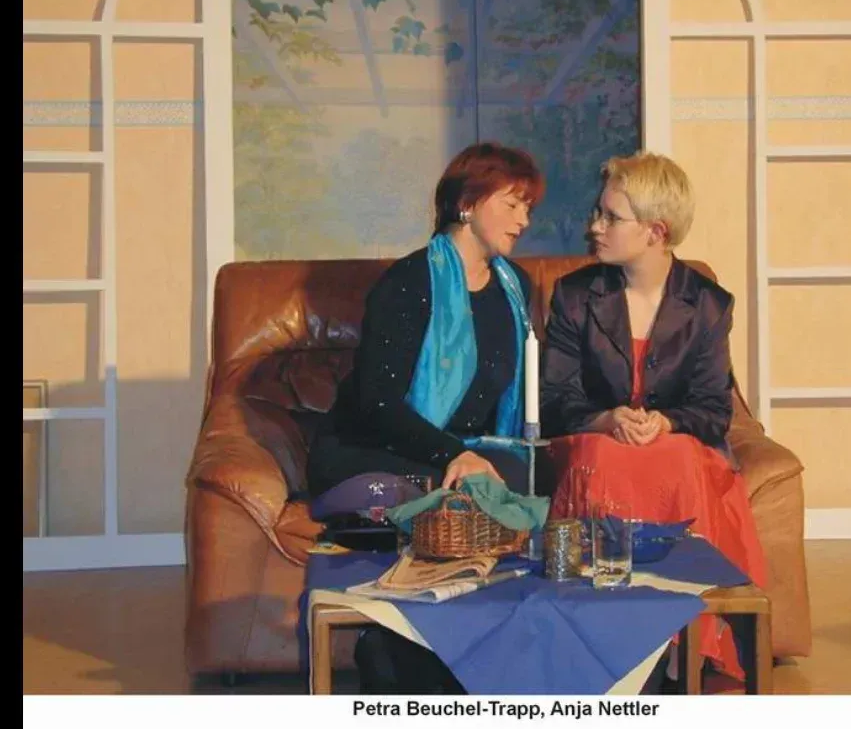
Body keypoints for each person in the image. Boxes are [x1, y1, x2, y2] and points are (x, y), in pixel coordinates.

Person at [306, 141, 545, 693]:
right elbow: (378, 405)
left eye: (528, 207)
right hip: (374, 450)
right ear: (468, 203)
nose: (524, 220)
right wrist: (455, 455)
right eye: (512, 204)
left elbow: (524, 399)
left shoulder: (516, 287)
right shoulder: (408, 283)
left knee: (518, 489)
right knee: (465, 495)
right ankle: (395, 658)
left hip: (464, 453)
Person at [540, 151, 768, 686]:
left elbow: (713, 411)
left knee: (680, 455)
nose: (594, 226)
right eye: (598, 212)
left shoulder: (708, 304)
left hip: (677, 449)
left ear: (655, 231)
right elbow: (554, 401)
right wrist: (606, 419)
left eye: (610, 217)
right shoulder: (576, 296)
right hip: (594, 441)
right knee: (603, 454)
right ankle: (606, 631)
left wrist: (664, 423)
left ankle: (680, 644)